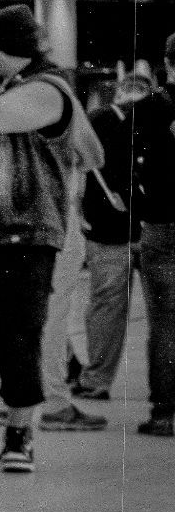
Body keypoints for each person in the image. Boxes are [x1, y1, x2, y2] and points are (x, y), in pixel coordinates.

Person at [0, 4, 96, 475]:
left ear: (8, 47)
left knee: (19, 339)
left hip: (26, 237)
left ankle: (20, 435)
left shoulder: (48, 90)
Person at [74, 72, 145, 404]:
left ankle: (96, 379)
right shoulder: (156, 118)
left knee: (106, 304)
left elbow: (79, 165)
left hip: (109, 227)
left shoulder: (98, 118)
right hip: (143, 225)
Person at [130, 36, 175, 438]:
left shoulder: (148, 109)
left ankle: (164, 412)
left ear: (166, 62)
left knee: (164, 323)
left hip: (160, 224)